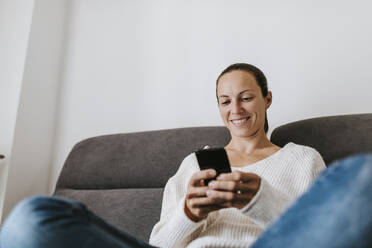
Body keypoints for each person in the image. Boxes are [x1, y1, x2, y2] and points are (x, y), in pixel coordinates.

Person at [0, 63, 371, 248]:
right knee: (34, 217)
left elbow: (313, 235)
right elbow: (160, 243)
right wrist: (190, 212)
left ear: (266, 99)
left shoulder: (302, 159)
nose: (236, 109)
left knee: (362, 175)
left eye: (246, 97)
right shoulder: (195, 164)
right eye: (225, 101)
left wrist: (260, 199)